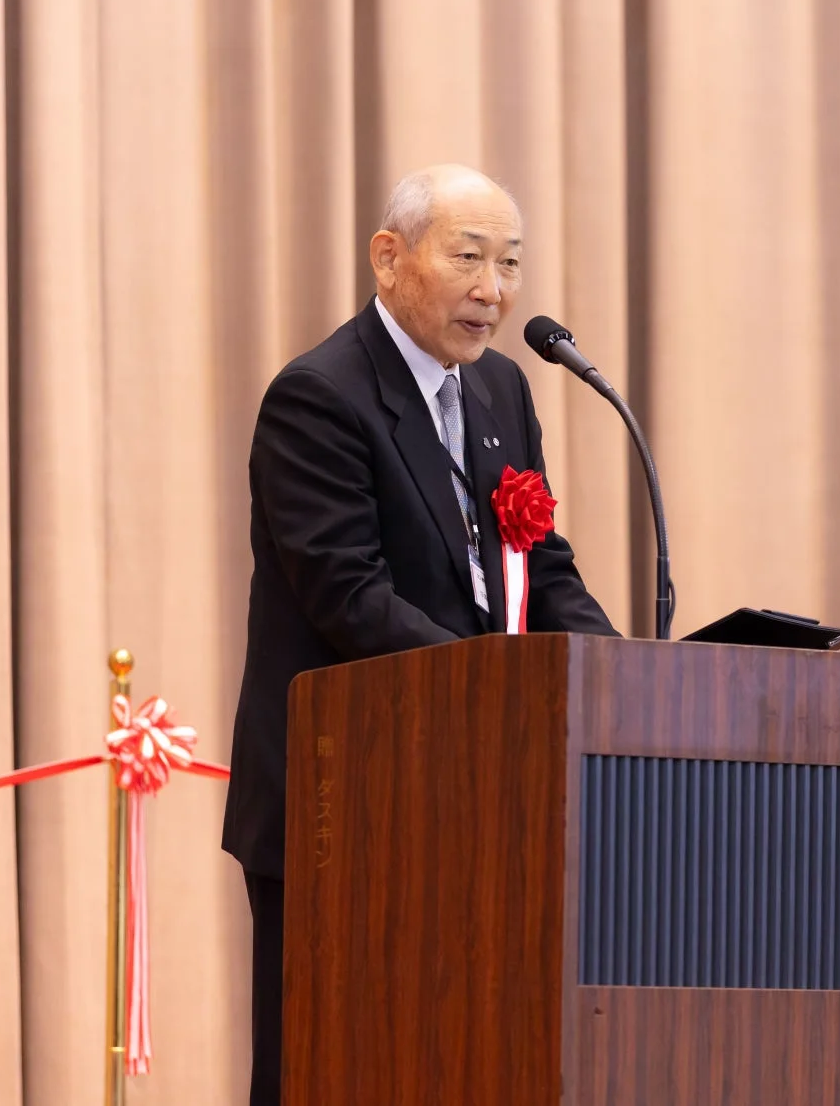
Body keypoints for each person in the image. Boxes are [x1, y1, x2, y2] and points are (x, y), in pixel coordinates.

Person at [221, 164, 618, 1105]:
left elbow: (540, 563)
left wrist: (615, 675)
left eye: (510, 264)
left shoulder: (503, 394)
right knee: (332, 1068)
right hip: (347, 801)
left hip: (479, 796)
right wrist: (513, 692)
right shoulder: (318, 398)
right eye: (469, 258)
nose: (494, 290)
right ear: (389, 259)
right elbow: (350, 598)